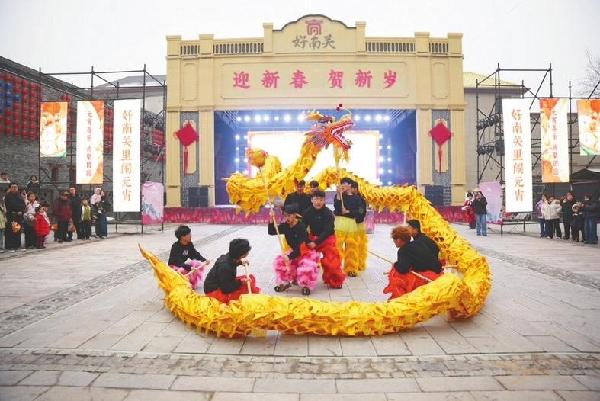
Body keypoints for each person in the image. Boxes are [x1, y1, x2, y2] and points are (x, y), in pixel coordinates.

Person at [269, 204, 319, 295]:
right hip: (293, 250)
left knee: (306, 266)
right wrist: (271, 218)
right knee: (280, 261)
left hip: (304, 251)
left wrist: (290, 257)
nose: (287, 218)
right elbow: (272, 231)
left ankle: (305, 285)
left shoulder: (301, 226)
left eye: (289, 215)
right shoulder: (285, 225)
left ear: (295, 215)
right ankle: (285, 282)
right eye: (285, 216)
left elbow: (301, 246)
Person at [383, 226, 443, 300]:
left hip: (427, 277)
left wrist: (395, 265)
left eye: (394, 239)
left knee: (396, 274)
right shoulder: (418, 243)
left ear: (398, 240)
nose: (394, 242)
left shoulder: (403, 250)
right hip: (438, 271)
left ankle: (402, 297)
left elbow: (403, 269)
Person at [302, 190, 345, 288]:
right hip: (312, 238)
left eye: (321, 199)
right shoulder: (307, 212)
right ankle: (305, 281)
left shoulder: (328, 213)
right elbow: (302, 228)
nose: (318, 202)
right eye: (316, 199)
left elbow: (328, 230)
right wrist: (308, 241)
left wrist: (316, 242)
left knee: (332, 260)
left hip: (327, 239)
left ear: (324, 201)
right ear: (312, 200)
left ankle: (335, 280)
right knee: (306, 258)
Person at [204, 238, 260, 303]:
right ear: (242, 255)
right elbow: (226, 289)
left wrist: (240, 262)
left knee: (249, 278)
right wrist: (241, 282)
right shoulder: (225, 267)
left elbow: (232, 263)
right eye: (247, 251)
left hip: (223, 283)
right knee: (245, 290)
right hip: (214, 291)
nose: (248, 252)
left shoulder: (230, 256)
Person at [334, 177, 361, 276]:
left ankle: (351, 269)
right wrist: (338, 194)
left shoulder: (357, 198)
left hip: (351, 224)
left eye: (344, 183)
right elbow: (337, 208)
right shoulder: (339, 196)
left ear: (350, 185)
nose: (342, 185)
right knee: (337, 247)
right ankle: (335, 268)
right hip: (339, 223)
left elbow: (361, 211)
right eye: (341, 183)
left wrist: (349, 211)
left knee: (351, 247)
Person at [351, 180, 368, 274]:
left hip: (358, 225)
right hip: (350, 225)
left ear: (356, 189)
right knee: (352, 246)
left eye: (353, 188)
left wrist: (355, 217)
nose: (351, 190)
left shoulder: (360, 199)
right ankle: (352, 264)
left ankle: (359, 264)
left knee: (359, 245)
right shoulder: (349, 198)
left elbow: (362, 212)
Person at [4, 182, 26, 250]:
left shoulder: (19, 195)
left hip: (18, 216)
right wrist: (18, 208)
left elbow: (23, 205)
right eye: (12, 187)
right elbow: (11, 205)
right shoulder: (7, 196)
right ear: (10, 188)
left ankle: (17, 245)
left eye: (15, 187)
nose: (14, 188)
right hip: (11, 215)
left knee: (17, 230)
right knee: (10, 231)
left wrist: (21, 211)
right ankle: (10, 246)